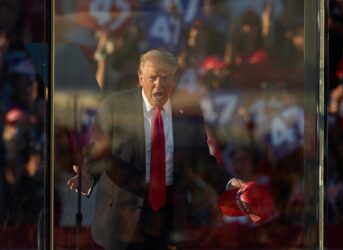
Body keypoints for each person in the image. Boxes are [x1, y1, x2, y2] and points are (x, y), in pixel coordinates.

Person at [67, 49, 244, 250]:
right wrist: (89, 174)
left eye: (165, 77)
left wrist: (228, 183)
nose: (159, 84)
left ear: (174, 80)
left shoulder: (189, 112)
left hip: (167, 216)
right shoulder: (114, 106)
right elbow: (96, 150)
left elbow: (200, 159)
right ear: (141, 79)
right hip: (122, 210)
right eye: (153, 78)